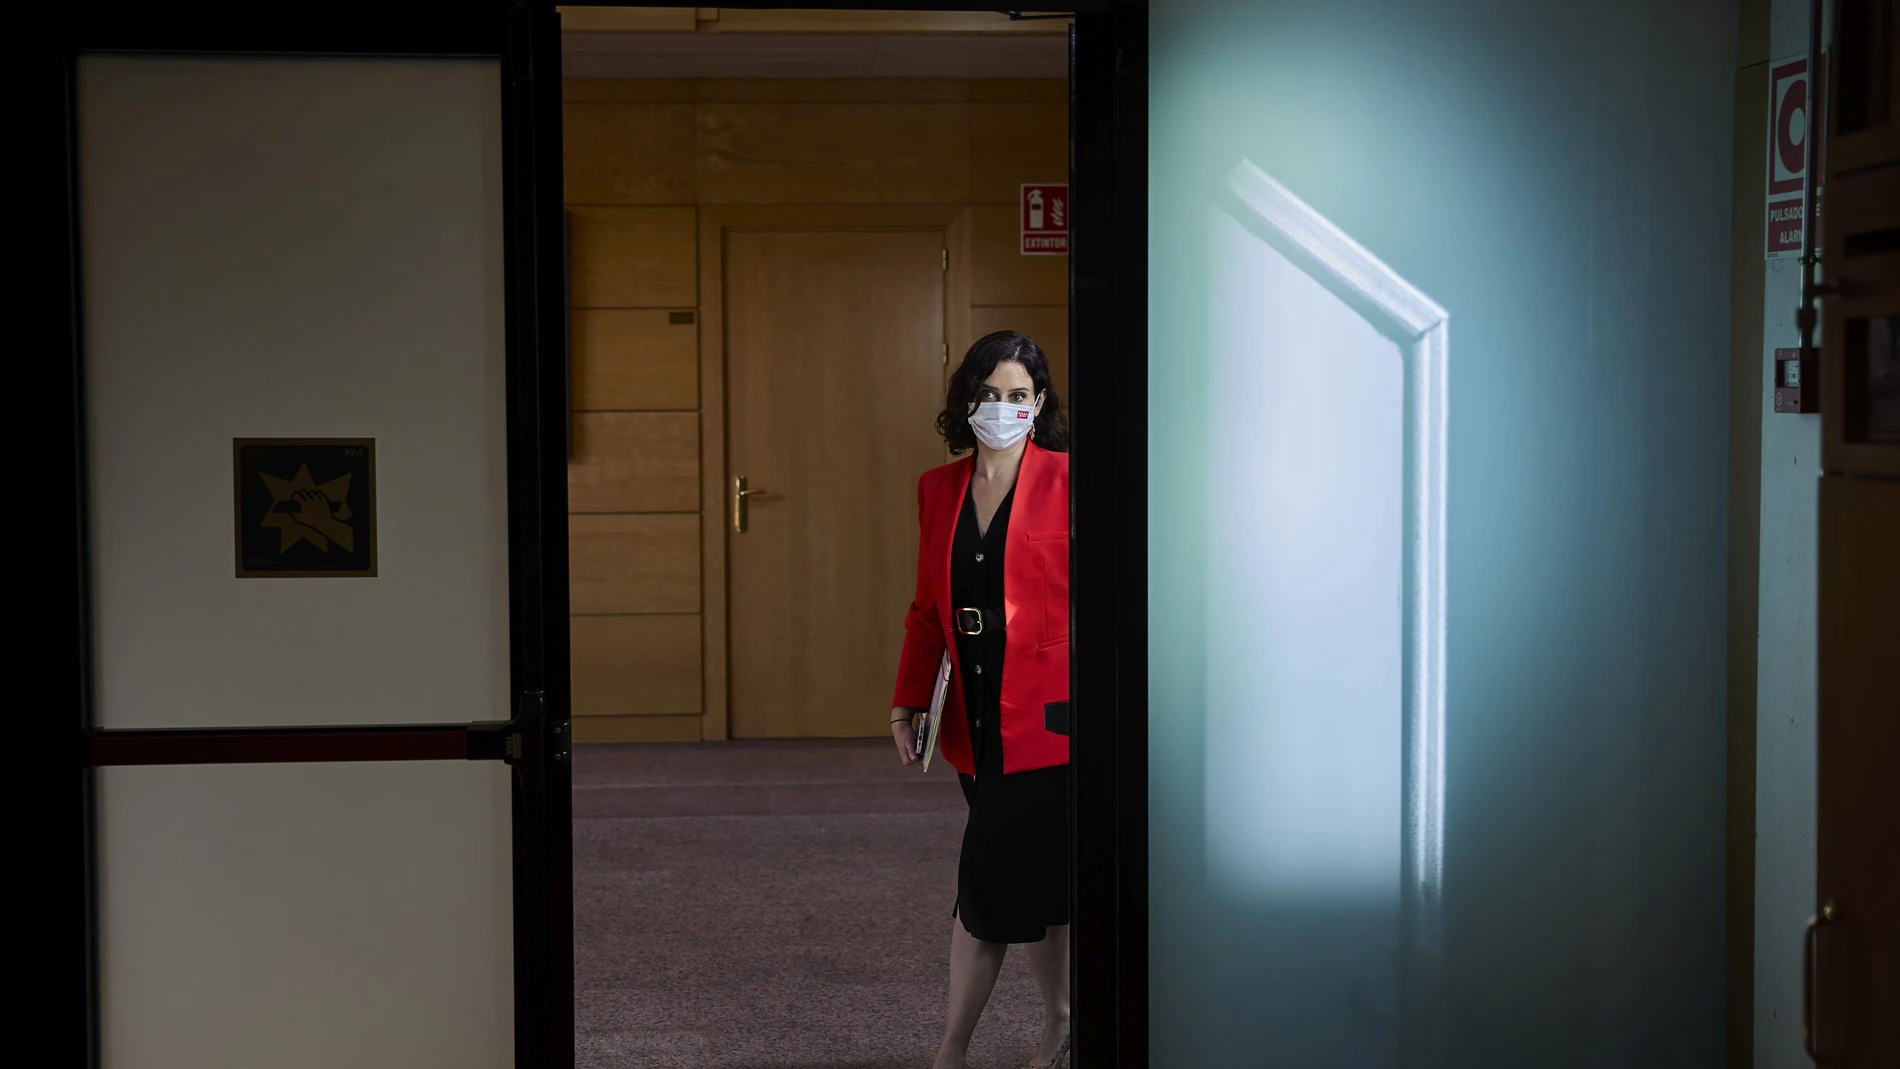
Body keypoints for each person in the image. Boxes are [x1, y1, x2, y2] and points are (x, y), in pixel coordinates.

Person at [889, 330, 1072, 1069]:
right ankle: (1060, 1023)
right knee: (1042, 878)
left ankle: (951, 1050)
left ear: (1040, 405)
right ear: (967, 399)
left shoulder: (1070, 480)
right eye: (988, 393)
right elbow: (927, 609)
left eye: (1018, 396)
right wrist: (907, 700)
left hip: (1051, 719)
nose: (1002, 407)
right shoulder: (939, 488)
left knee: (987, 881)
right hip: (972, 711)